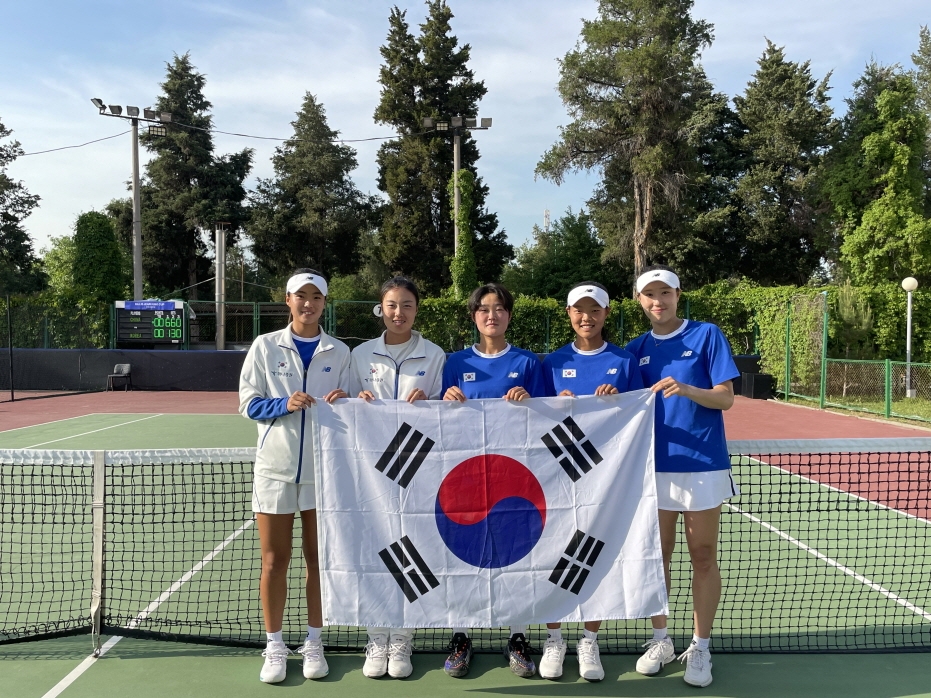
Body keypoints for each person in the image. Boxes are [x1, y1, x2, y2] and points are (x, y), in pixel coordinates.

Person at [624, 265, 739, 689]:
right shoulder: (634, 350)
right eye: (650, 295)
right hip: (652, 467)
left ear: (678, 294)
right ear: (640, 301)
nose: (658, 301)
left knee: (703, 554)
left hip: (703, 465)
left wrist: (689, 390)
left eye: (665, 293)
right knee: (658, 558)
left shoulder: (707, 335)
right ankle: (660, 640)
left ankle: (701, 646)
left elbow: (726, 398)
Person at [239, 269, 350, 684]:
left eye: (316, 297)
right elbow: (248, 404)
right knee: (274, 561)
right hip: (275, 472)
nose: (308, 303)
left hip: (325, 476)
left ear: (325, 303)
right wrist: (284, 404)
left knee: (318, 562)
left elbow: (358, 402)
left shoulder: (338, 351)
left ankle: (315, 642)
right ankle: (274, 646)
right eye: (300, 296)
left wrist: (346, 400)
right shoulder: (265, 347)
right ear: (287, 300)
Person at [538, 281, 644, 682]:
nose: (587, 317)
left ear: (606, 313)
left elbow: (639, 414)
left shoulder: (624, 360)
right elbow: (532, 421)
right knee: (553, 553)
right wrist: (555, 403)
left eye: (594, 310)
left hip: (606, 479)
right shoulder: (550, 363)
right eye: (579, 310)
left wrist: (616, 400)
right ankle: (553, 638)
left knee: (594, 554)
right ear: (568, 314)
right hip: (558, 476)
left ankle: (588, 639)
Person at [440, 282, 546, 679]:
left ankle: (518, 636)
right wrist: (445, 400)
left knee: (515, 554)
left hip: (514, 479)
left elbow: (549, 417)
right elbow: (433, 418)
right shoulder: (453, 362)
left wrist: (530, 402)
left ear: (509, 315)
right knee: (463, 554)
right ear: (474, 316)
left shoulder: (528, 363)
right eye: (484, 308)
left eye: (500, 308)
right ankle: (461, 636)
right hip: (465, 479)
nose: (492, 315)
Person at [349, 276, 447, 679]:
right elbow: (343, 404)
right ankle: (377, 636)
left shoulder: (435, 354)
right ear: (381, 308)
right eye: (392, 305)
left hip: (416, 471)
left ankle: (404, 636)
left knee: (413, 552)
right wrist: (356, 400)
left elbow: (448, 412)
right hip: (369, 471)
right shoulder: (358, 355)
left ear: (416, 309)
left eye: (407, 305)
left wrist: (432, 401)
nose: (399, 313)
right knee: (375, 550)